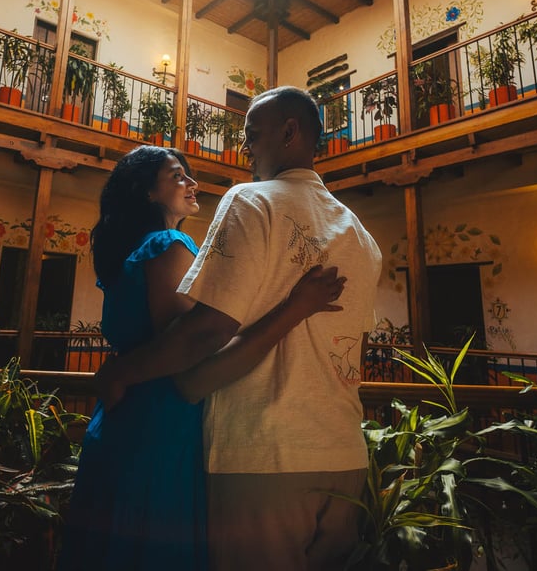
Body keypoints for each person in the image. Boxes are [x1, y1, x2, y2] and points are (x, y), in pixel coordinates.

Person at [100, 88, 382, 570]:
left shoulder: (251, 201)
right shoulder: (361, 235)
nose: (246, 148)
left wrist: (124, 371)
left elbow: (204, 332)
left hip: (264, 455)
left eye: (252, 135)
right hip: (344, 452)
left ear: (289, 132)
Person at [58, 145, 346, 571]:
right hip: (162, 419)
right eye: (178, 176)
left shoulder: (132, 253)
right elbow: (193, 347)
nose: (192, 183)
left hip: (123, 416)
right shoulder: (167, 244)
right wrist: (295, 306)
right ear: (147, 193)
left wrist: (119, 372)